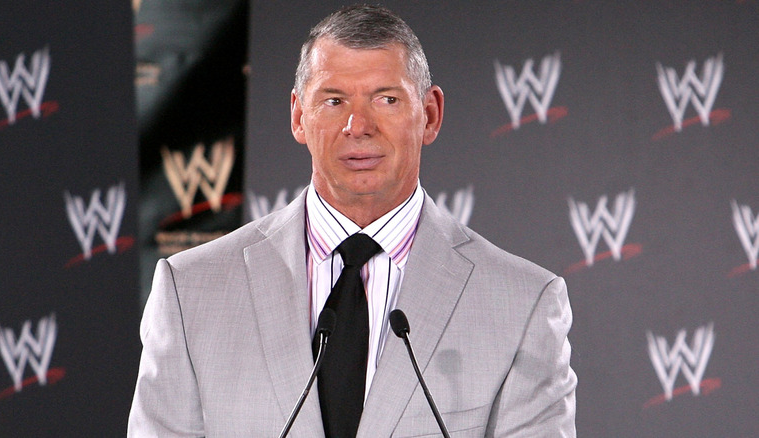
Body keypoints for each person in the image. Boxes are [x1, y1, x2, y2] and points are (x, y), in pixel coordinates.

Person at [128, 4, 576, 437]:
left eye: (386, 99)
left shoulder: (522, 303)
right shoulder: (191, 290)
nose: (357, 125)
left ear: (430, 116)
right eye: (334, 99)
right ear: (299, 117)